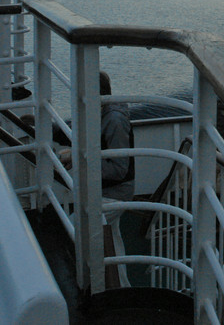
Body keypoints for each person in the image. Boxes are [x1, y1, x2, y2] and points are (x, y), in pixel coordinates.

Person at [59, 71, 134, 287]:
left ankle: (94, 286)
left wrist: (81, 160)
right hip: (104, 190)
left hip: (116, 193)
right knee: (114, 243)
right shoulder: (98, 113)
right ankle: (122, 289)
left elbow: (120, 169)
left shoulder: (114, 120)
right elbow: (76, 134)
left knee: (77, 226)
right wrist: (42, 125)